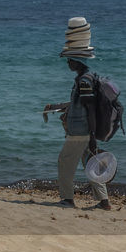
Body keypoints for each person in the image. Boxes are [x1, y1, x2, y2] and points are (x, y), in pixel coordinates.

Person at [45, 17, 111, 210]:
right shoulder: (86, 79)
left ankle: (67, 199)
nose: (68, 64)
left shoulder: (84, 82)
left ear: (76, 61)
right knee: (91, 164)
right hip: (84, 131)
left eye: (69, 60)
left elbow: (90, 109)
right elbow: (80, 104)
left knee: (65, 162)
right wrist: (55, 106)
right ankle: (103, 201)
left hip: (80, 132)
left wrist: (91, 136)